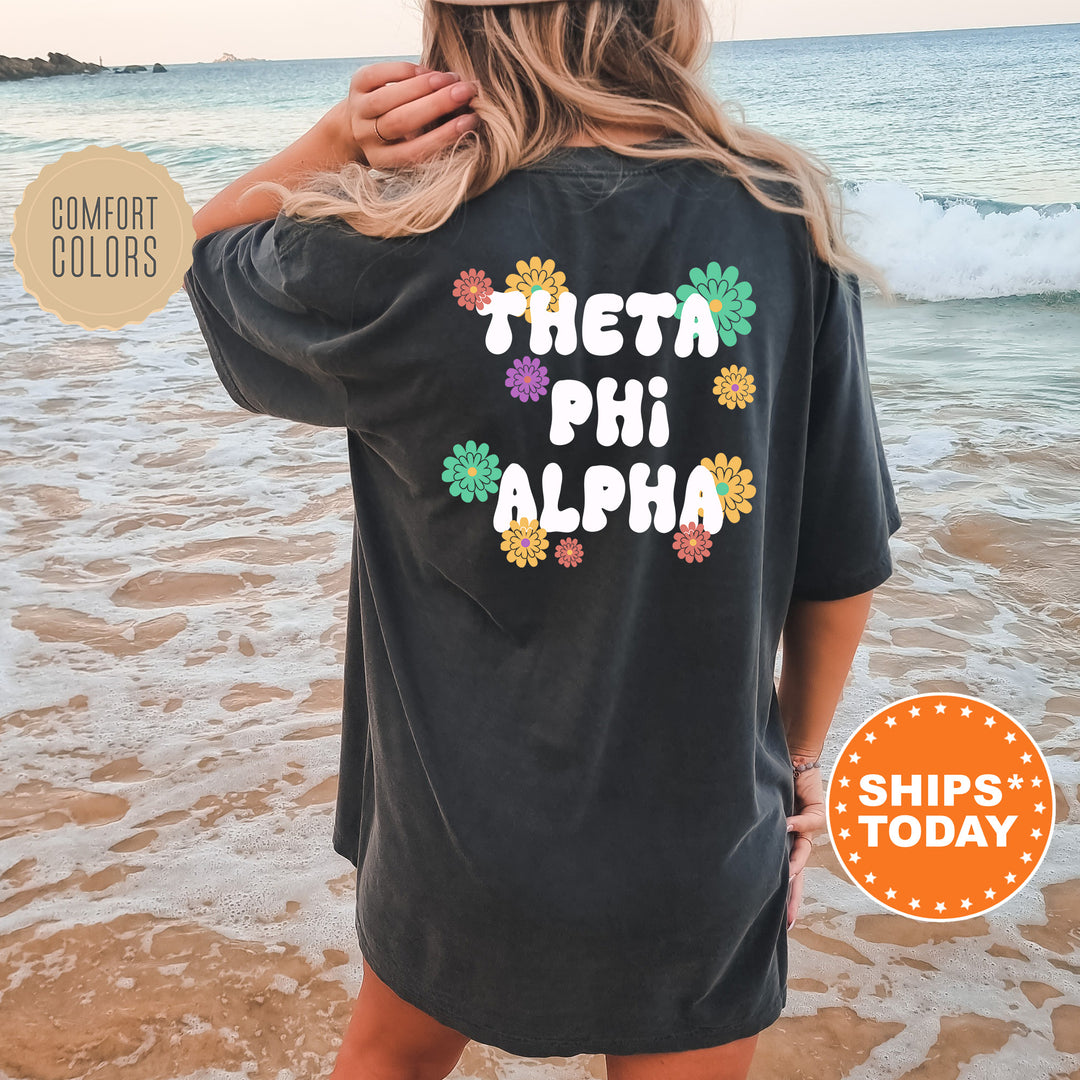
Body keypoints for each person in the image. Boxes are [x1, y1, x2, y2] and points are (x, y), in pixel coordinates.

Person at [182, 0, 903, 1076]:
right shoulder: (779, 220)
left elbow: (203, 253)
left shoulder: (396, 236)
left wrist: (338, 142)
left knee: (388, 1057)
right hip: (697, 834)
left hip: (456, 836)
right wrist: (800, 764)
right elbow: (841, 560)